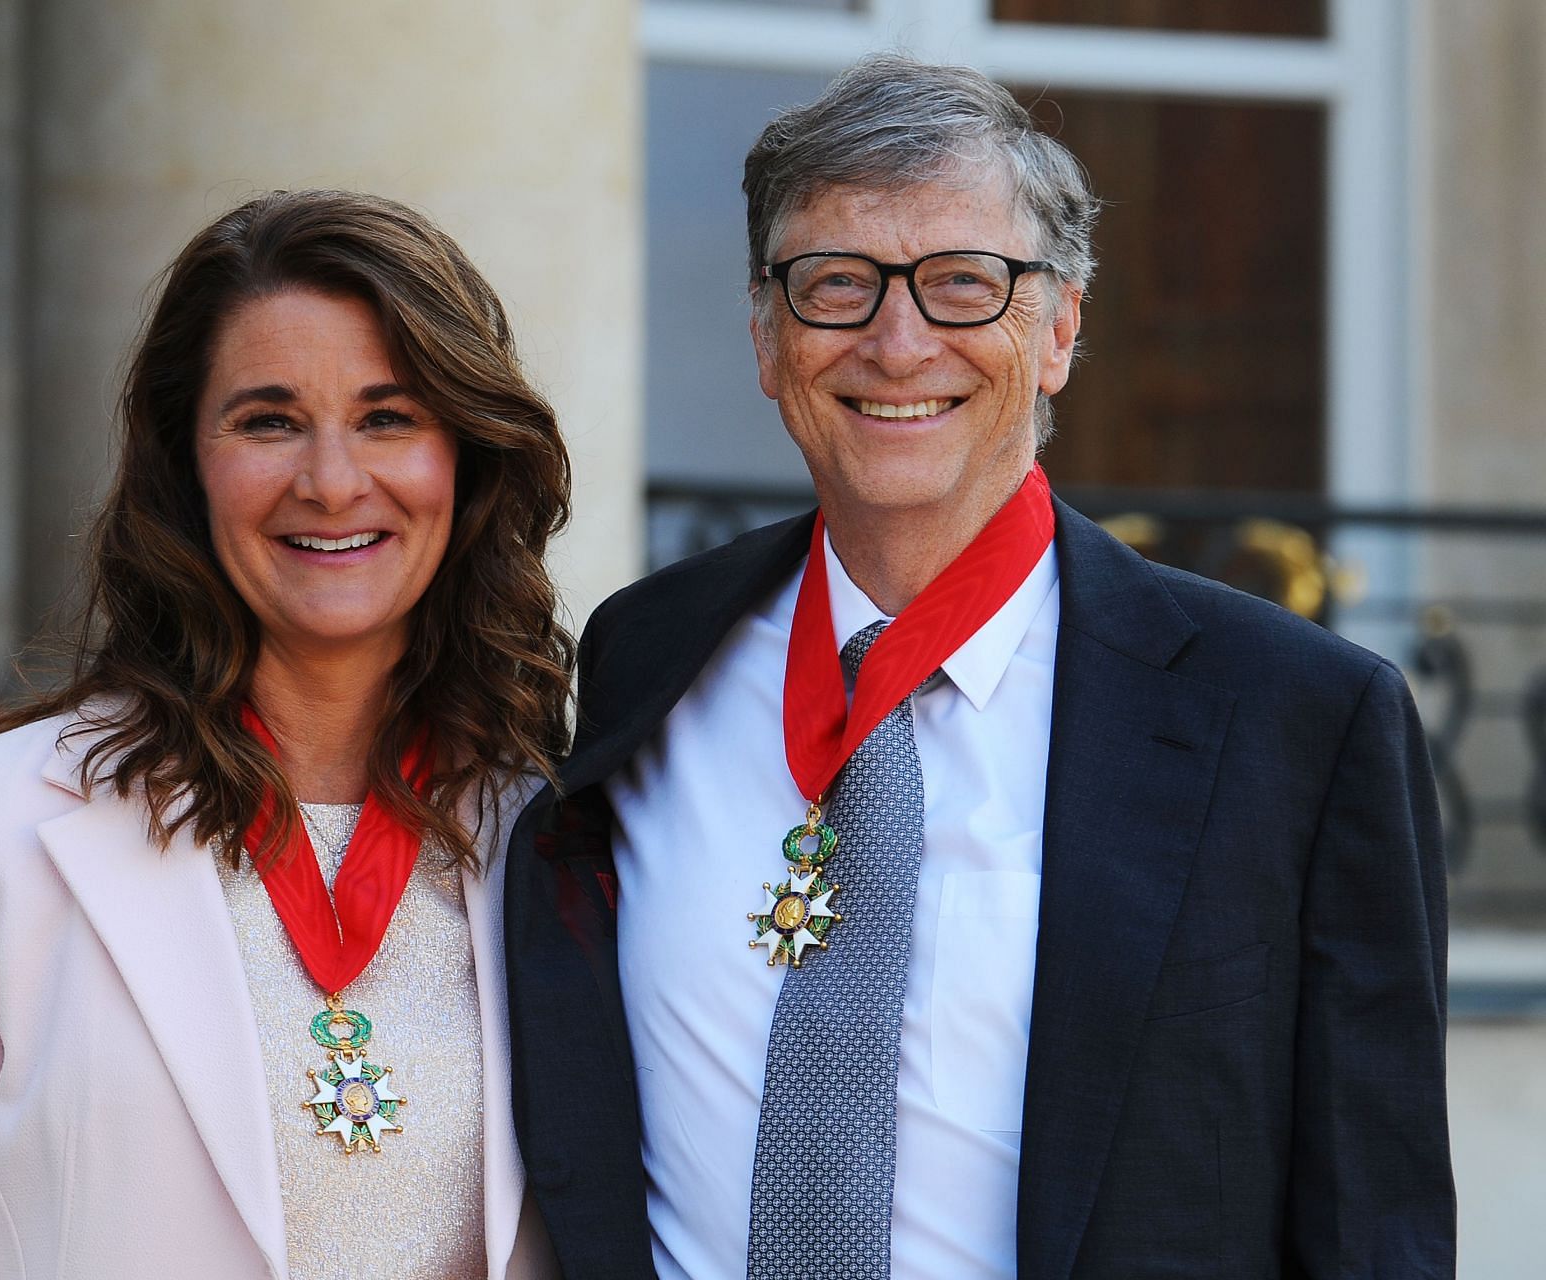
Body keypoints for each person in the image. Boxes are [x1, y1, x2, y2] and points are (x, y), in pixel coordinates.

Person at [506, 53, 1453, 1280]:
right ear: (765, 335)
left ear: (1058, 330)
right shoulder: (647, 651)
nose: (898, 343)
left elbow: (1375, 1230)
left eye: (964, 284)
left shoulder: (1298, 722)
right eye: (835, 283)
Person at [0, 189, 570, 1279]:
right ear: (185, 462)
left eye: (389, 417)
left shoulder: (554, 834)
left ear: (468, 459)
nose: (332, 480)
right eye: (269, 419)